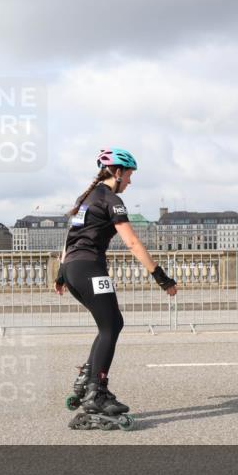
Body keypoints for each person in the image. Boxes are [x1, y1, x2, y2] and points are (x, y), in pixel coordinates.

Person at [54, 148, 178, 427]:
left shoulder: (85, 198)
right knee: (111, 326)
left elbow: (70, 238)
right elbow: (132, 242)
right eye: (130, 175)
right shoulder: (112, 200)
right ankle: (96, 392)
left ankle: (88, 377)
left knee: (108, 324)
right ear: (117, 172)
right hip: (89, 268)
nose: (130, 182)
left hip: (73, 269)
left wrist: (61, 274)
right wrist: (161, 277)